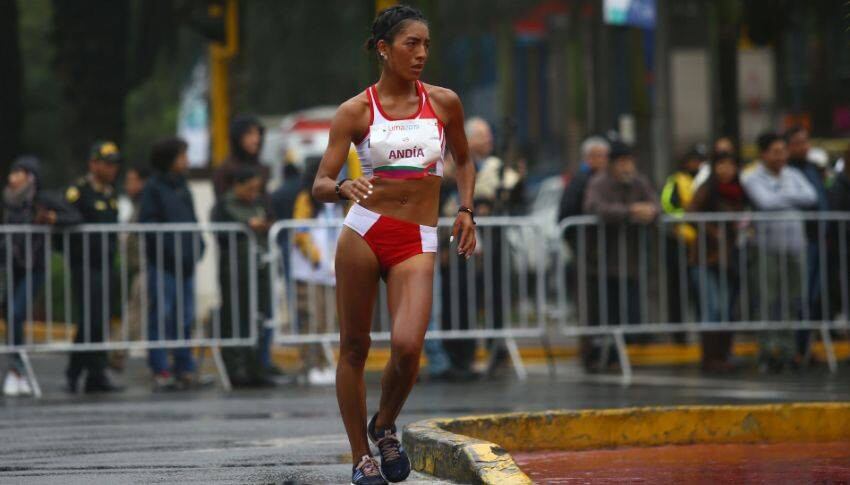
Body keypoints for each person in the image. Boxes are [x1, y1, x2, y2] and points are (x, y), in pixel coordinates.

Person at [311, 6, 476, 484]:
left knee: (407, 347)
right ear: (384, 50)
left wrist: (466, 209)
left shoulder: (444, 103)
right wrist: (342, 187)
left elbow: (463, 161)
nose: (422, 53)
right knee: (355, 348)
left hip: (416, 238)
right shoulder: (356, 110)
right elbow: (320, 182)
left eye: (426, 44)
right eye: (411, 44)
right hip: (364, 232)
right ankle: (361, 456)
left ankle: (384, 425)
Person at [1, 156, 79, 396]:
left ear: (30, 177)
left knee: (16, 313)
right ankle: (17, 370)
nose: (12, 178)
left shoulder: (43, 200)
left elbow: (74, 217)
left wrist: (53, 219)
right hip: (12, 267)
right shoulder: (10, 203)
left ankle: (17, 370)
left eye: (18, 173)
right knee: (11, 316)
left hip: (35, 267)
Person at [741, 132, 817, 372]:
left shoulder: (793, 174)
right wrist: (791, 200)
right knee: (767, 300)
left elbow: (811, 196)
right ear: (763, 154)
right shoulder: (752, 178)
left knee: (793, 300)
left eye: (783, 151)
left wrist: (781, 197)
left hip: (795, 247)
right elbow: (765, 202)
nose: (781, 156)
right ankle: (767, 349)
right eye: (775, 151)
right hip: (766, 248)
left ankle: (787, 349)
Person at [582, 141, 660, 371]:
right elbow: (594, 207)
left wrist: (651, 211)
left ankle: (617, 354)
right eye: (622, 162)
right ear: (613, 164)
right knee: (606, 313)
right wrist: (630, 212)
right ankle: (603, 356)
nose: (627, 167)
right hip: (603, 261)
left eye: (630, 161)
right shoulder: (599, 183)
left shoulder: (639, 182)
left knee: (631, 312)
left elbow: (655, 205)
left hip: (632, 260)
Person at [138, 138, 205, 390]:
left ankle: (184, 367)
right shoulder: (154, 188)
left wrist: (198, 246)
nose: (186, 161)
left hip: (185, 264)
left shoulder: (182, 186)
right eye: (182, 156)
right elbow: (149, 224)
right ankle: (160, 368)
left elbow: (192, 220)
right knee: (162, 315)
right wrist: (169, 251)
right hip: (164, 265)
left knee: (184, 316)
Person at [64, 141, 124, 393]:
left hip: (106, 264)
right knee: (90, 319)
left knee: (101, 319)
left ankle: (92, 375)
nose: (112, 169)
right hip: (85, 264)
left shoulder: (110, 193)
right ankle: (82, 371)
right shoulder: (79, 192)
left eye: (114, 164)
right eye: (107, 163)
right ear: (93, 164)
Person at [211, 167, 275, 388]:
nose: (253, 193)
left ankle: (255, 367)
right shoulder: (225, 204)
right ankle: (235, 368)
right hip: (235, 269)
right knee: (235, 317)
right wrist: (249, 227)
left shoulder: (255, 204)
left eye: (256, 189)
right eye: (249, 189)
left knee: (257, 317)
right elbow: (224, 231)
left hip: (257, 267)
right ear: (237, 185)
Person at [687, 152, 750, 372]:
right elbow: (690, 213)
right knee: (712, 307)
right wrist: (712, 231)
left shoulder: (740, 191)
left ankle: (724, 354)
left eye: (731, 164)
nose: (726, 169)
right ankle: (710, 357)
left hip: (729, 259)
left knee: (727, 307)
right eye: (721, 164)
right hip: (705, 258)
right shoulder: (707, 189)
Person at [291, 159, 343, 385]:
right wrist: (317, 259)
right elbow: (301, 233)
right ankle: (308, 364)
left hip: (330, 273)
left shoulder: (340, 200)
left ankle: (323, 363)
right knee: (310, 319)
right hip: (310, 271)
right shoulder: (306, 199)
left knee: (327, 320)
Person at [785, 126, 830, 362]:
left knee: (812, 297)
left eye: (806, 142)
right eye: (799, 142)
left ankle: (805, 347)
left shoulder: (812, 169)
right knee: (798, 296)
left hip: (818, 240)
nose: (805, 147)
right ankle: (795, 348)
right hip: (799, 241)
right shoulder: (788, 171)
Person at [660, 147, 705, 342]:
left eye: (699, 160)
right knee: (677, 291)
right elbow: (667, 205)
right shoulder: (675, 180)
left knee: (701, 291)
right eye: (693, 160)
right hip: (679, 241)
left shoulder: (705, 180)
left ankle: (705, 332)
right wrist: (686, 217)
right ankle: (678, 334)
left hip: (702, 241)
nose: (696, 164)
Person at [109, 166, 150, 373]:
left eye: (132, 180)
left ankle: (116, 351)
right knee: (137, 311)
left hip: (148, 266)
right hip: (143, 268)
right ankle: (115, 351)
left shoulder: (145, 204)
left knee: (138, 311)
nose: (128, 185)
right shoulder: (138, 205)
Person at [212, 115, 269, 199]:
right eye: (249, 134)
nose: (256, 140)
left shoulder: (261, 169)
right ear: (237, 137)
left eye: (258, 134)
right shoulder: (225, 171)